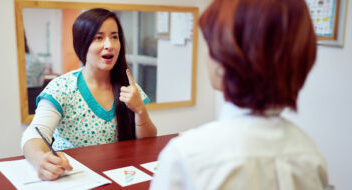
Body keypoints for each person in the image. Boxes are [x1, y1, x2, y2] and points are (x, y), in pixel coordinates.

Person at [150, 0, 329, 189]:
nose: (205, 53)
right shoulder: (310, 155)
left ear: (222, 62)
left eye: (209, 44)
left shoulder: (185, 157)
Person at [20, 8, 157, 181]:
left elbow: (148, 142)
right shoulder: (62, 87)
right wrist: (40, 160)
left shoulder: (128, 86)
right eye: (98, 37)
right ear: (82, 43)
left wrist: (140, 111)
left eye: (114, 36)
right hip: (75, 179)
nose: (109, 44)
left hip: (120, 177)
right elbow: (33, 134)